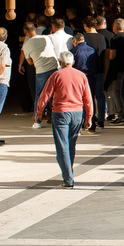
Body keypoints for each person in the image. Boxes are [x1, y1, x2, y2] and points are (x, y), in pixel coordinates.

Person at [35, 50, 92, 188]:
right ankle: (69, 172)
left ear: (59, 62)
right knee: (71, 145)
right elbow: (88, 98)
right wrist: (89, 117)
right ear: (72, 62)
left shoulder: (56, 75)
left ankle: (68, 179)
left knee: (62, 147)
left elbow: (45, 95)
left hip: (60, 113)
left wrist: (39, 112)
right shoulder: (81, 76)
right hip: (77, 113)